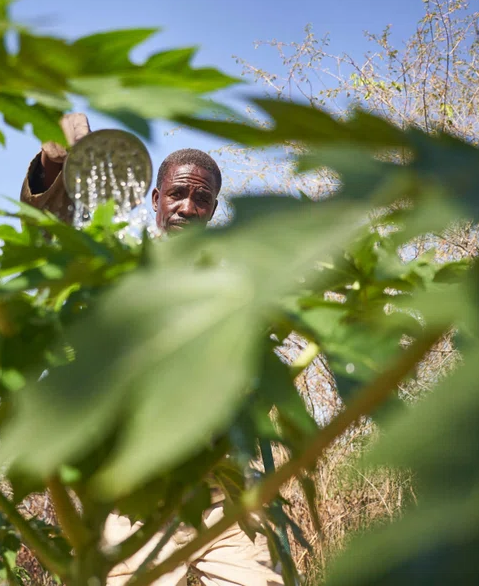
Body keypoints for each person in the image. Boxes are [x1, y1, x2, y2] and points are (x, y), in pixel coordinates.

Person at [20, 113, 283, 586]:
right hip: (129, 501)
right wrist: (52, 170)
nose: (187, 206)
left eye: (201, 198)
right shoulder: (117, 261)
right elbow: (50, 240)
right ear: (156, 199)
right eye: (178, 194)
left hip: (223, 496)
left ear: (214, 209)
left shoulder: (237, 277)